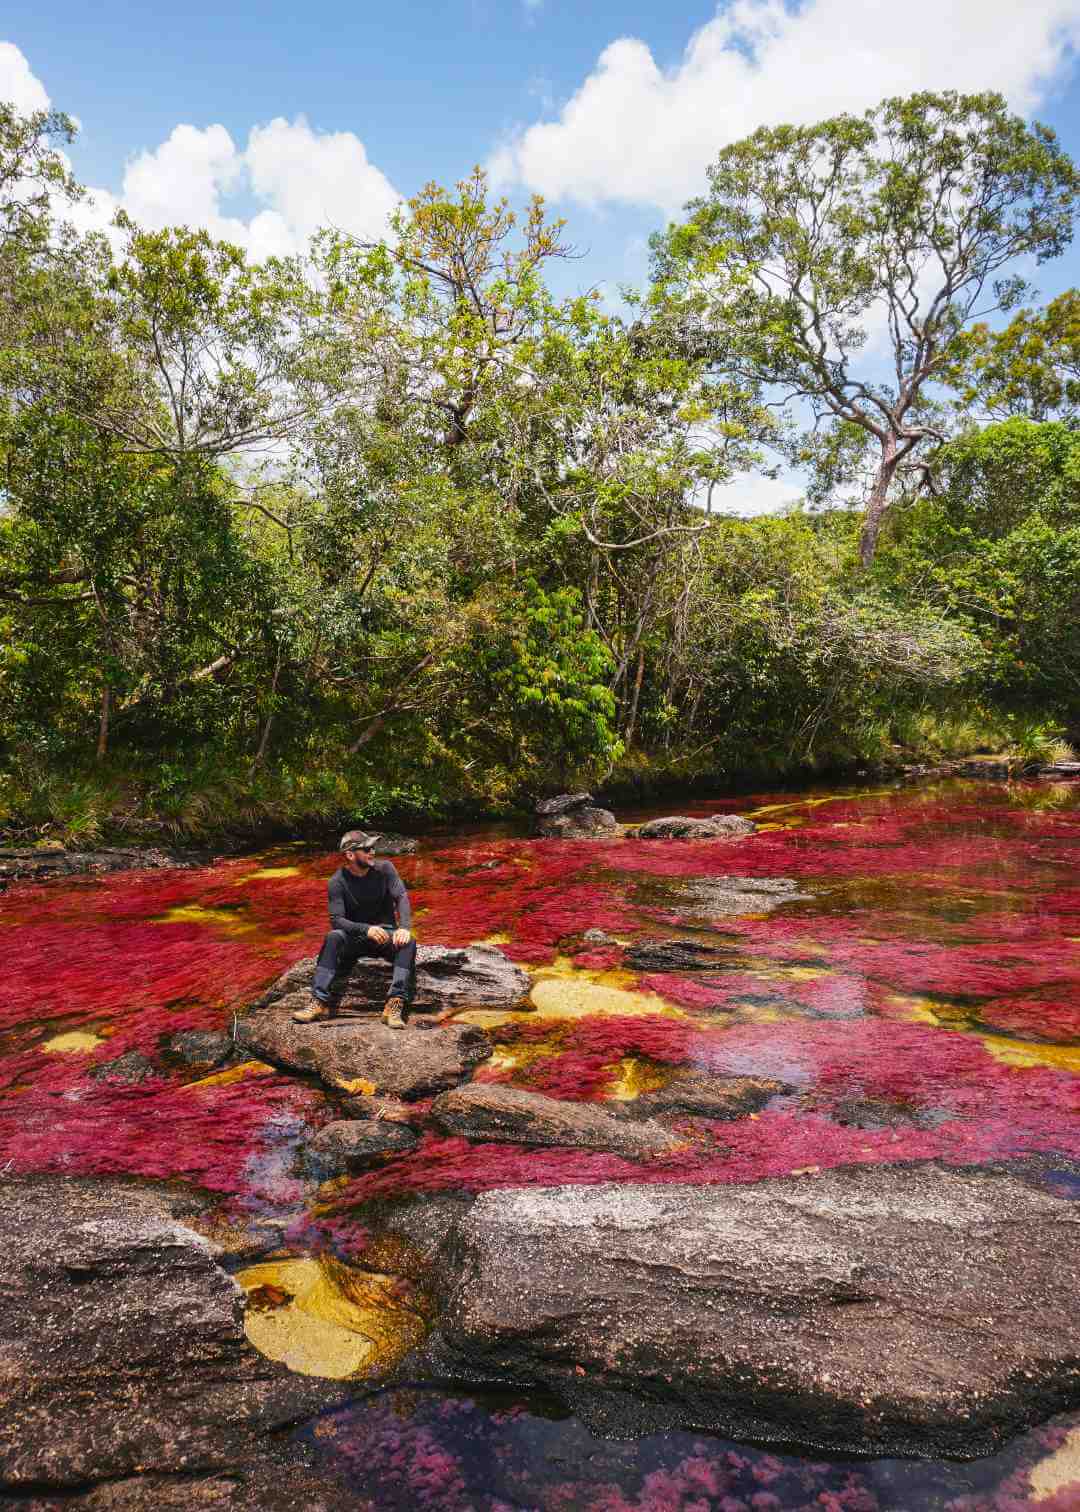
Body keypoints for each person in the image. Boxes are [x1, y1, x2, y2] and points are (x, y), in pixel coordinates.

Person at [293, 830, 417, 1029]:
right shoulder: (337, 882)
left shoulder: (385, 869)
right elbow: (336, 920)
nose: (372, 852)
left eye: (373, 848)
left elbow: (401, 896)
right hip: (355, 939)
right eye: (367, 849)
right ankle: (318, 1002)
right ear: (350, 855)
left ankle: (394, 1004)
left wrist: (404, 927)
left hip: (385, 936)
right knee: (333, 937)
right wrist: (365, 929)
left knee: (408, 942)